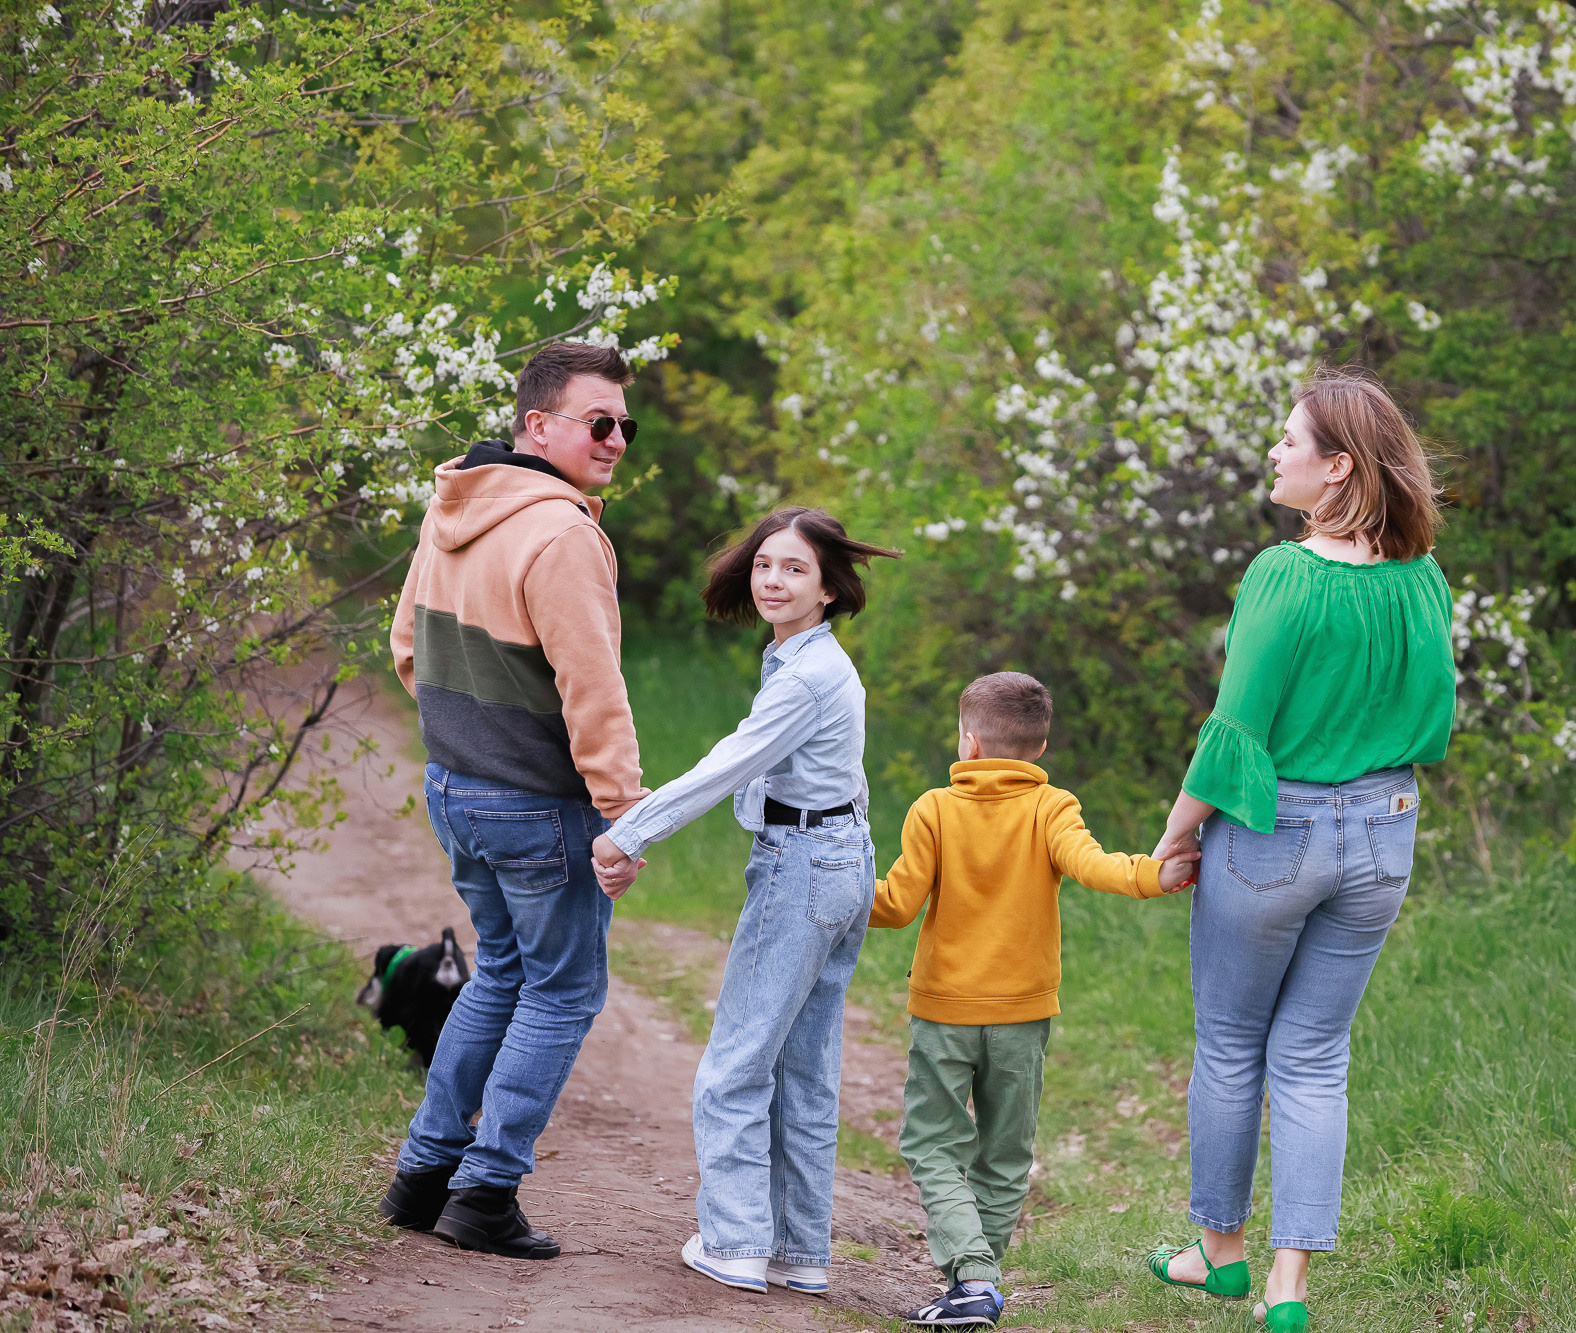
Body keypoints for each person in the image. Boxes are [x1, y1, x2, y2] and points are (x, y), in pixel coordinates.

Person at [1144, 364, 1456, 1333]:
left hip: (1277, 831)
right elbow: (1437, 717)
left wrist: (1177, 827)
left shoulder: (1284, 572)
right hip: (1385, 828)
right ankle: (1288, 1286)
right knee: (1315, 1057)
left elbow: (1237, 726)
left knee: (1231, 1045)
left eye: (1289, 441)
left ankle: (1218, 1254)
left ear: (1334, 468)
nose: (1273, 453)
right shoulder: (1419, 579)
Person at [379, 341, 649, 1259]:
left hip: (455, 787)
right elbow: (593, 690)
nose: (615, 439)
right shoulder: (563, 533)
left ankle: (423, 1174)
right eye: (597, 421)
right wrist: (623, 815)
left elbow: (406, 645)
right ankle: (486, 1189)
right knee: (563, 988)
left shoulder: (453, 503)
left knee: (500, 970)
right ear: (538, 424)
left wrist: (464, 738)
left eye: (624, 424)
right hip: (536, 802)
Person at [589, 506, 900, 1298]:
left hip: (805, 869)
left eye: (795, 569)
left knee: (734, 1064)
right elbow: (783, 770)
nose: (773, 579)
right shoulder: (809, 662)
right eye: (765, 564)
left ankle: (732, 1240)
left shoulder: (805, 674)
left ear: (829, 588)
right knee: (802, 1068)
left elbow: (734, 760)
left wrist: (630, 830)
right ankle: (799, 1250)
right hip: (841, 857)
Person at [869, 673, 1200, 1330]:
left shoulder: (933, 808)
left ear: (968, 741)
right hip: (1023, 1014)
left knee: (933, 1141)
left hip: (945, 1011)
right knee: (1005, 1153)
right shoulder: (1053, 806)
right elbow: (1093, 863)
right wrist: (1152, 874)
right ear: (1041, 745)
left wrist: (838, 893)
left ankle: (972, 1277)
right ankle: (979, 1285)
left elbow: (898, 904)